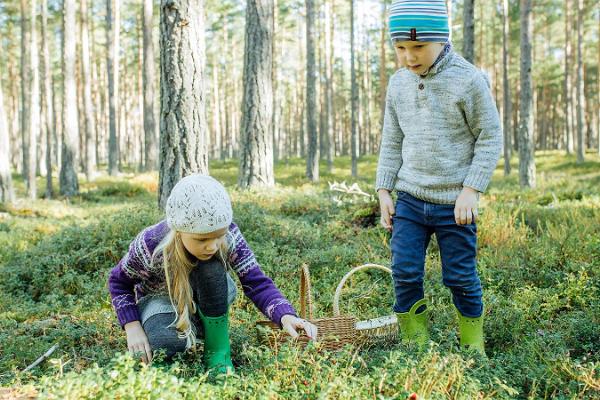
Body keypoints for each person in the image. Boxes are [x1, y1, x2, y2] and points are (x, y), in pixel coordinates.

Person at [376, 0, 503, 354]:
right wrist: (384, 190)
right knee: (404, 271)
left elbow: (490, 137)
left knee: (461, 277)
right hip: (411, 200)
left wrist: (471, 189)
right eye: (400, 47)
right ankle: (415, 342)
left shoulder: (469, 80)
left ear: (442, 40)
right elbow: (392, 139)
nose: (408, 56)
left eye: (418, 47)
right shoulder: (399, 83)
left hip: (455, 204)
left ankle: (472, 343)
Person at [108, 174, 317, 374]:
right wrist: (132, 325)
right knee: (165, 342)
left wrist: (285, 315)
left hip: (210, 296)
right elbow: (118, 282)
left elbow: (256, 281)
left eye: (219, 236)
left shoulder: (230, 235)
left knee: (211, 269)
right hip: (163, 301)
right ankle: (175, 343)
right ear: (178, 231)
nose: (212, 246)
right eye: (201, 240)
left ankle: (217, 351)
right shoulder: (151, 244)